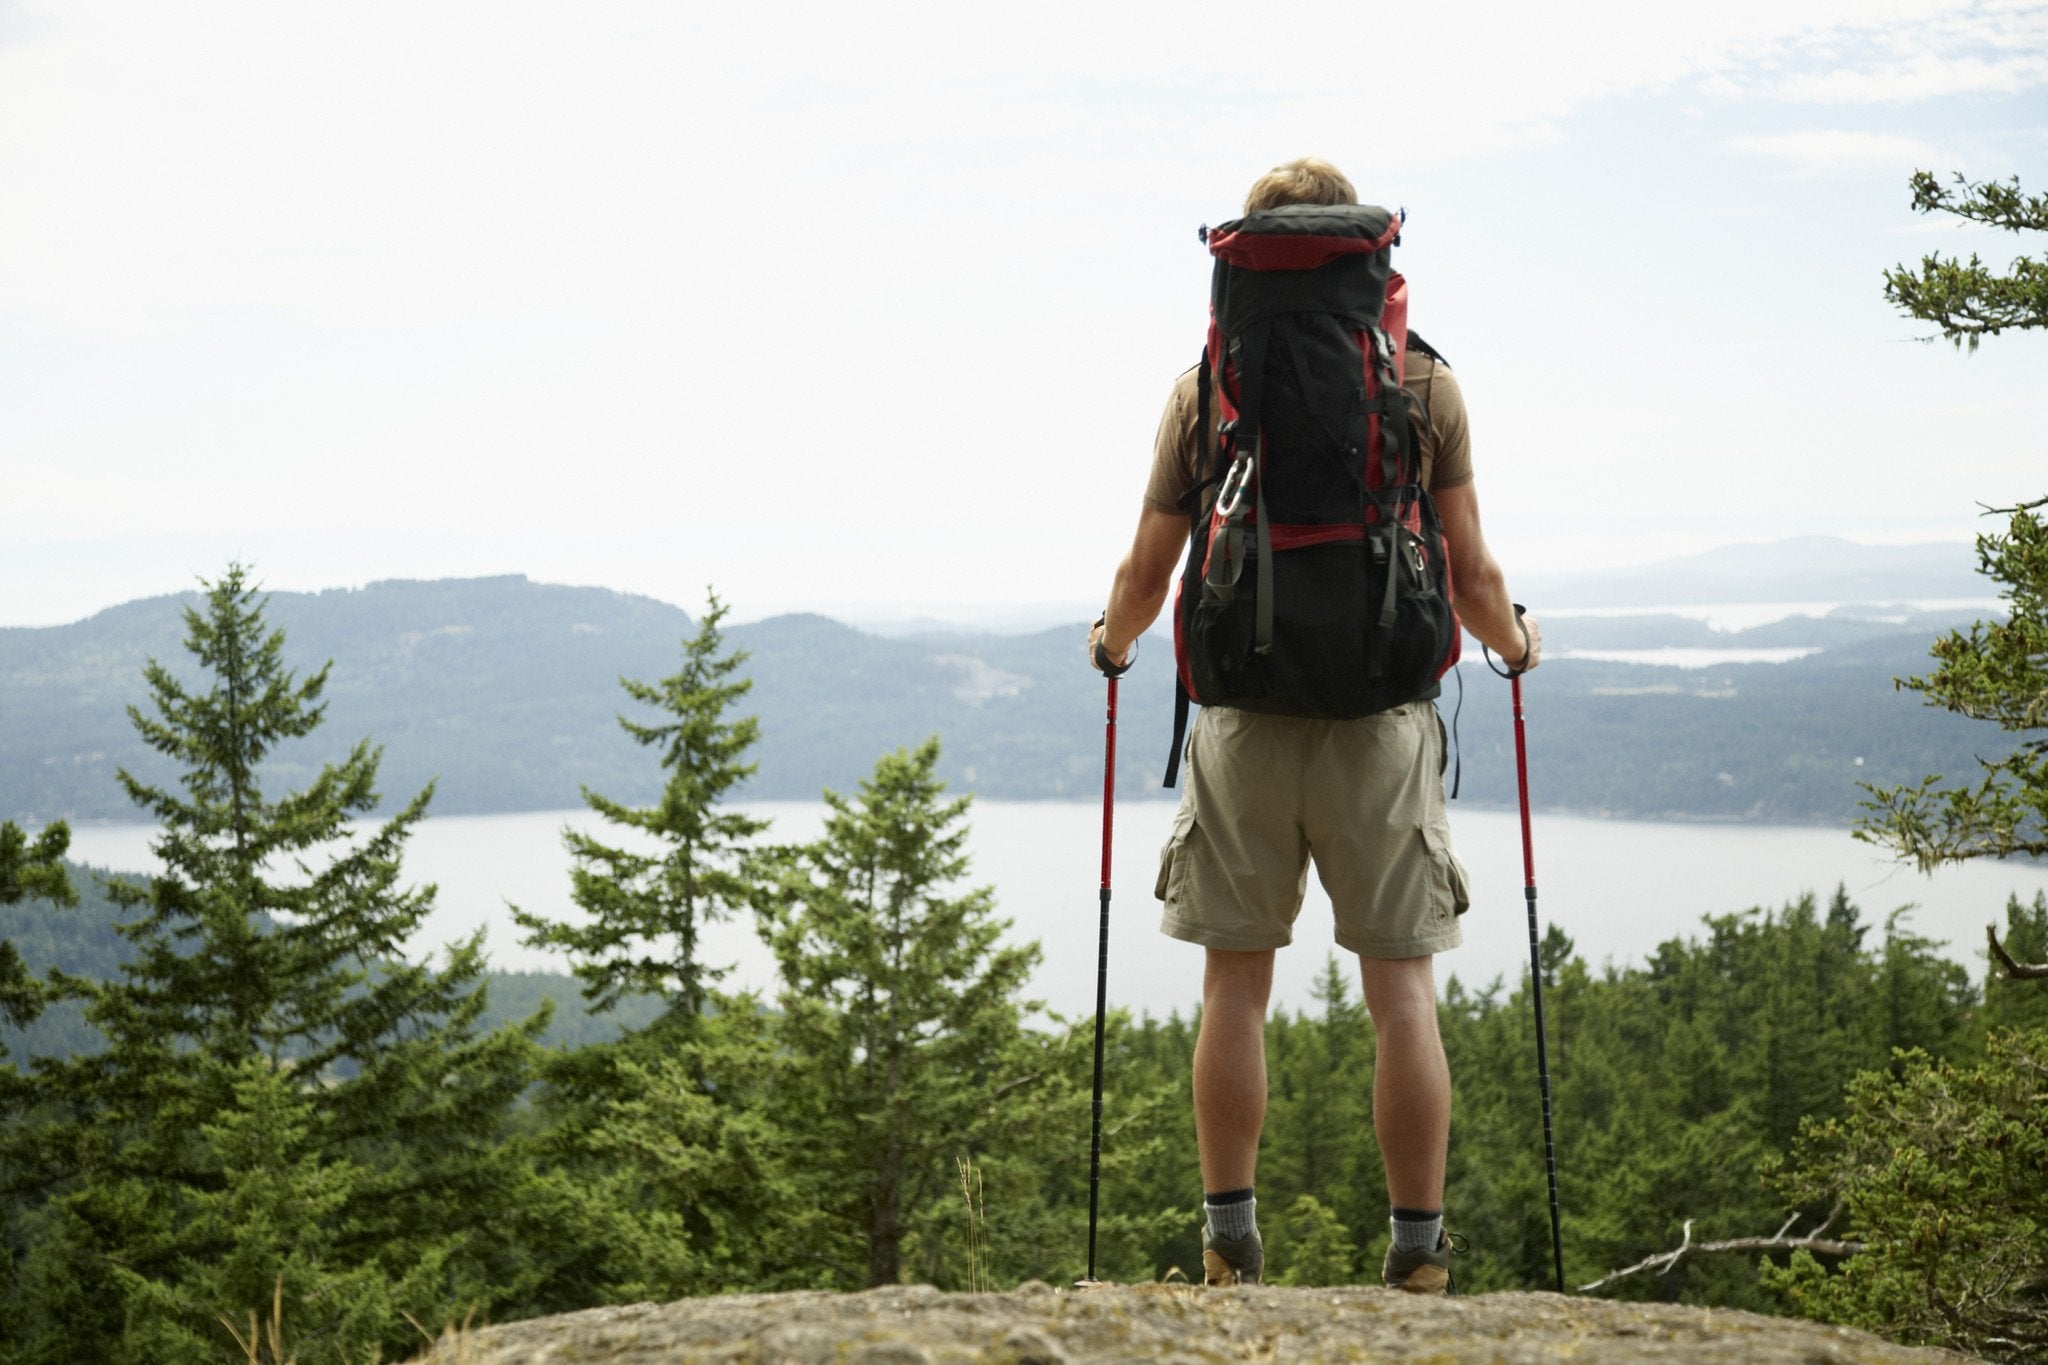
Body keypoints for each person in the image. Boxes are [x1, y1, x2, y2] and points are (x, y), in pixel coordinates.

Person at [1086, 156, 1541, 1294]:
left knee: (1233, 986)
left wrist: (1111, 642)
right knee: (1401, 996)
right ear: (1364, 253)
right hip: (1380, 726)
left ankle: (1227, 1244)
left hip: (1239, 722)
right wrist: (1517, 645)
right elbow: (1473, 575)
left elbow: (1148, 571)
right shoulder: (1421, 385)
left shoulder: (1205, 390)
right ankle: (1417, 1256)